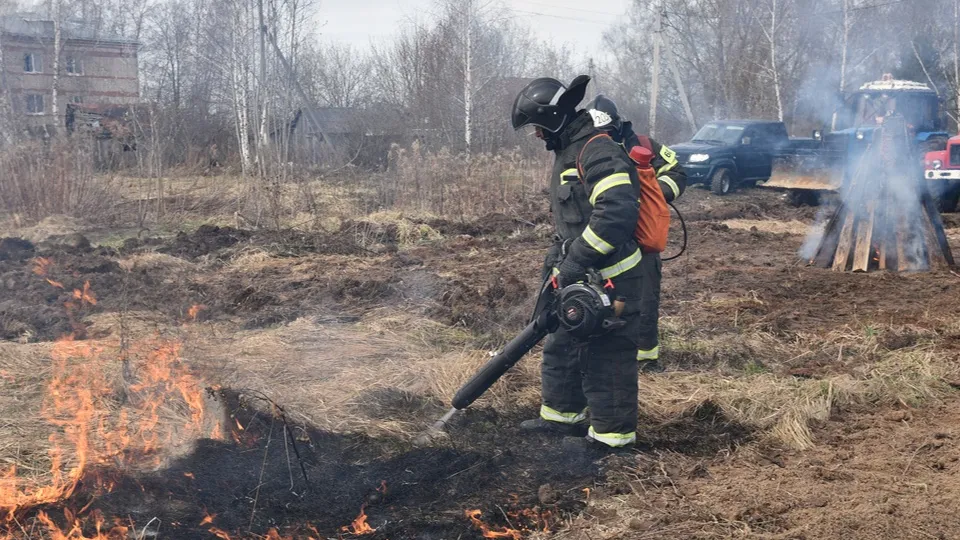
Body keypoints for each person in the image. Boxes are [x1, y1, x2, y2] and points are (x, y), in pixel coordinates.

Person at [511, 75, 657, 452]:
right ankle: (560, 419)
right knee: (561, 344)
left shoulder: (598, 150)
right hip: (578, 274)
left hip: (613, 279)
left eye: (540, 127)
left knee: (606, 357)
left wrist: (576, 261)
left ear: (556, 117)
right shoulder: (569, 150)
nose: (538, 136)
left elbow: (616, 214)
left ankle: (611, 441)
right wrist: (562, 266)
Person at [586, 95, 687, 204]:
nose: (604, 138)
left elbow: (676, 173)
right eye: (597, 134)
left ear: (618, 126)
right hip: (599, 217)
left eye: (609, 132)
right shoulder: (577, 153)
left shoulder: (644, 145)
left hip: (642, 216)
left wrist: (651, 195)